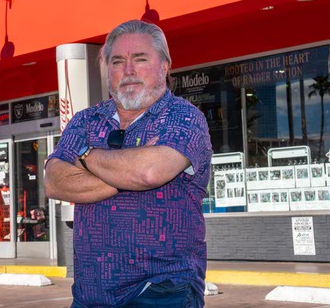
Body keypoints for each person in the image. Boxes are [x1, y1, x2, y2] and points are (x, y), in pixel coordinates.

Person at [44, 20, 212, 308]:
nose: (128, 70)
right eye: (118, 61)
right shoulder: (85, 120)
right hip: (89, 295)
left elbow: (149, 172)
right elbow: (53, 181)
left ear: (165, 66)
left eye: (140, 59)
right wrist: (127, 171)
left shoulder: (184, 118)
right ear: (108, 71)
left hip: (162, 290)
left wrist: (85, 156)